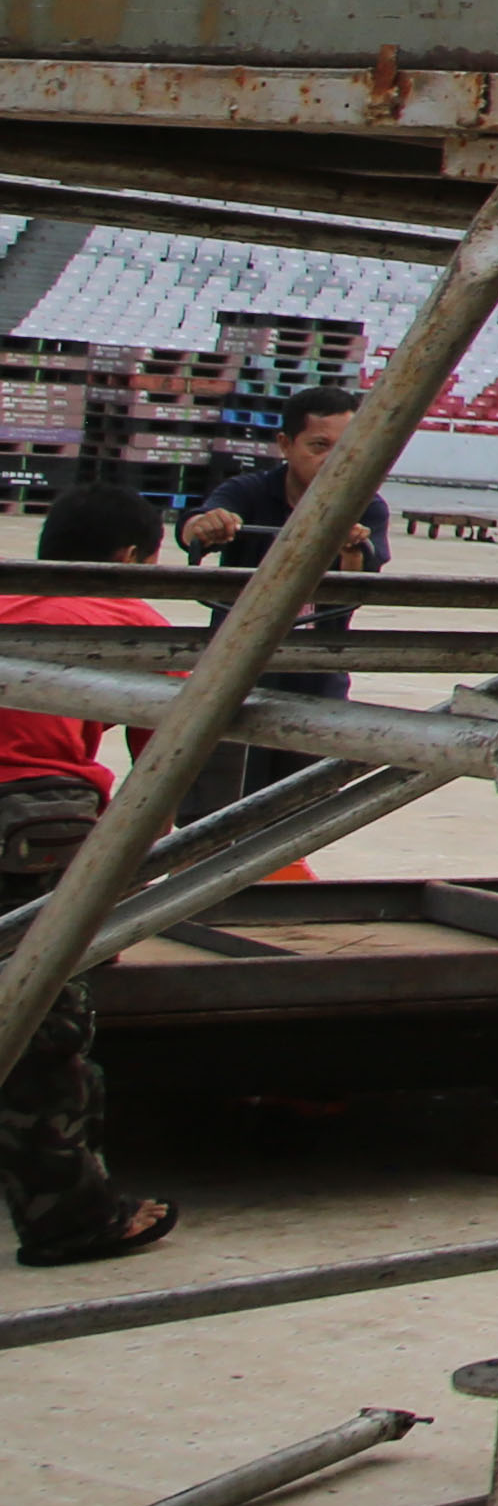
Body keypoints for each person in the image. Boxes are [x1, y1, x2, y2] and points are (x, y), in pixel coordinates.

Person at [0, 487, 177, 1267]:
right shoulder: (128, 617)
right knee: (44, 1026)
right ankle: (71, 1217)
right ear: (132, 557)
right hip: (32, 828)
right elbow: (169, 767)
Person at [175, 383, 385, 798]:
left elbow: (361, 580)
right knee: (216, 808)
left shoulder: (367, 506)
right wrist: (204, 527)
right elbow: (195, 528)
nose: (332, 462)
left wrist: (350, 549)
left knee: (296, 810)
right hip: (233, 678)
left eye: (346, 449)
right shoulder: (248, 492)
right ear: (285, 445)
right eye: (319, 446)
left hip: (315, 679)